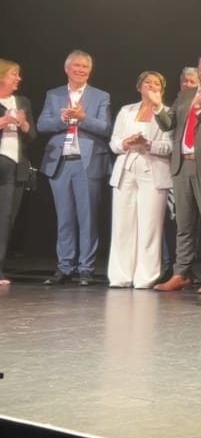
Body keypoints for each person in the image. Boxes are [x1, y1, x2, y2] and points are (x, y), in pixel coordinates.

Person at [154, 50, 201, 293]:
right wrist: (157, 106)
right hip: (182, 164)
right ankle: (181, 272)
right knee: (184, 225)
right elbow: (169, 124)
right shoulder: (186, 93)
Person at [38, 50, 113, 286]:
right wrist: (60, 120)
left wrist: (82, 117)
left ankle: (86, 268)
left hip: (86, 162)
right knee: (65, 218)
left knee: (87, 217)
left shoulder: (100, 96)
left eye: (85, 67)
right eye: (76, 66)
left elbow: (105, 128)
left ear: (90, 71)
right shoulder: (54, 95)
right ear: (67, 68)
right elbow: (41, 125)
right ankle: (64, 266)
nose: (80, 70)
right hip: (60, 163)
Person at [106, 71, 172, 288]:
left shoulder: (167, 113)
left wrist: (149, 144)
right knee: (122, 225)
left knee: (149, 226)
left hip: (152, 171)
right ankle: (120, 276)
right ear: (139, 86)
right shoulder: (127, 111)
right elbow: (114, 142)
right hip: (126, 169)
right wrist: (126, 142)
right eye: (147, 82)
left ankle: (146, 277)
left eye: (155, 83)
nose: (150, 86)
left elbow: (171, 146)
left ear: (161, 89)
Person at [0, 59, 37, 286]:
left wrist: (22, 124)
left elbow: (32, 135)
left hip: (15, 166)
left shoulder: (22, 101)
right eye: (14, 74)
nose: (18, 79)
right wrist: (4, 120)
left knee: (5, 219)